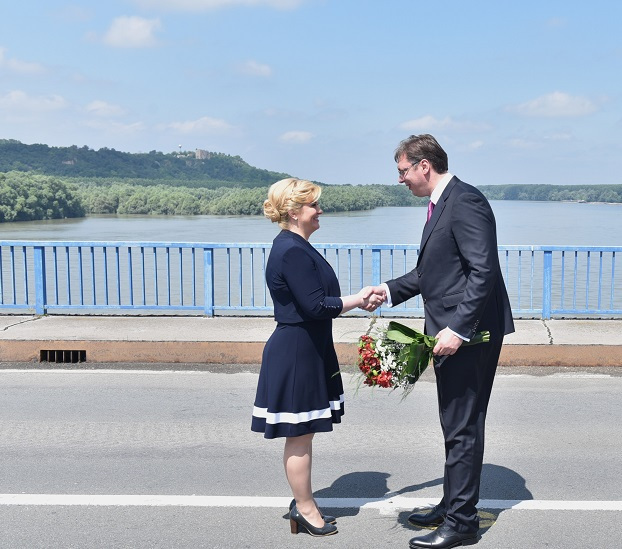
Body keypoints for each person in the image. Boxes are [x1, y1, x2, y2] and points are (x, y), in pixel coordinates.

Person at [368, 135, 514, 549]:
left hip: (469, 335)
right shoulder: (442, 203)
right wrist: (387, 290)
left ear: (424, 166)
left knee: (462, 425)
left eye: (403, 171)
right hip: (453, 332)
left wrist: (459, 328)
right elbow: (434, 273)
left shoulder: (464, 201)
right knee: (454, 423)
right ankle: (453, 504)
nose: (400, 179)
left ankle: (462, 522)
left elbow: (483, 270)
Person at [251, 177, 382, 538]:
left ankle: (305, 504)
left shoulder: (294, 245)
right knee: (300, 434)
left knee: (304, 434)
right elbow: (316, 306)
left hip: (307, 348)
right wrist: (359, 299)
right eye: (313, 205)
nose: (320, 210)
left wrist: (356, 301)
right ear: (294, 212)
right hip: (297, 352)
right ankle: (304, 508)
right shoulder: (292, 250)